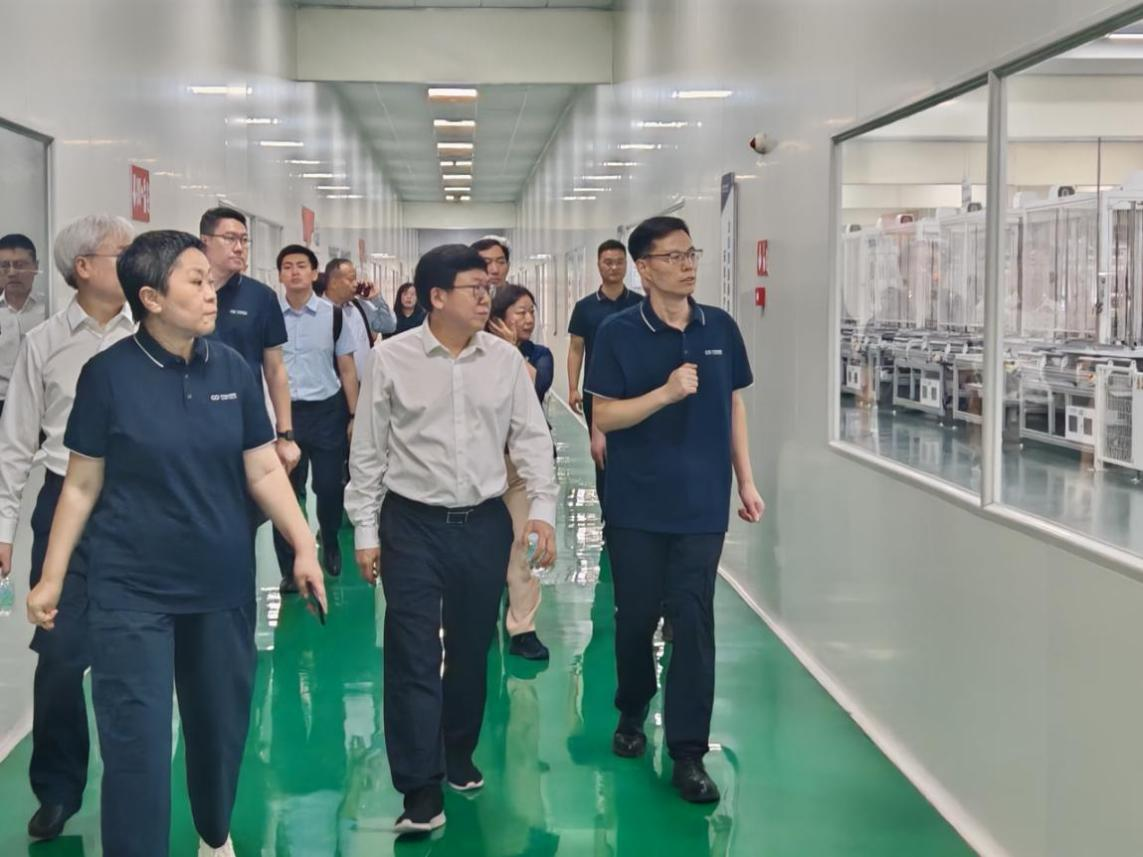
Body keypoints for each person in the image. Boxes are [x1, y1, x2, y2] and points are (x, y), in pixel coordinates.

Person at [24, 230, 327, 857]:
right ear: (152, 298)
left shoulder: (233, 368)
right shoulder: (107, 375)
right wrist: (51, 578)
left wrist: (303, 543)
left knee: (218, 731)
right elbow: (80, 485)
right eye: (196, 280)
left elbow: (262, 468)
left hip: (220, 584)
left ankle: (214, 836)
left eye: (209, 280)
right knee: (134, 744)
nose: (211, 292)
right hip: (129, 589)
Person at [346, 244, 557, 834]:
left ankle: (458, 752)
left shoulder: (504, 361)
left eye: (488, 287)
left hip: (483, 523)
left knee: (470, 649)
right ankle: (419, 788)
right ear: (436, 297)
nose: (488, 296)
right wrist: (365, 529)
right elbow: (369, 450)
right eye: (475, 288)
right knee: (412, 652)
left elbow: (531, 438)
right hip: (411, 525)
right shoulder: (390, 358)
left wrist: (541, 511)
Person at [585, 216, 765, 804]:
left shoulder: (720, 327)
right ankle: (632, 707)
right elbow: (604, 416)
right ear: (644, 267)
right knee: (636, 617)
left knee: (693, 620)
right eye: (673, 256)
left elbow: (732, 405)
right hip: (636, 504)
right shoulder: (617, 332)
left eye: (692, 254)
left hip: (701, 504)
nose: (687, 265)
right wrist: (664, 393)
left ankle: (689, 752)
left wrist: (745, 480)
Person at [0, 215, 135, 841]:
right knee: (58, 658)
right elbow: (15, 446)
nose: (134, 262)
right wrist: (3, 530)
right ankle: (57, 790)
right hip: (64, 507)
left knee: (135, 659)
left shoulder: (152, 331)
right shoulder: (45, 343)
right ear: (83, 267)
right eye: (120, 253)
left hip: (138, 504)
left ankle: (137, 785)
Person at [274, 245, 359, 589]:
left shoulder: (333, 315)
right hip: (284, 414)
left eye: (301, 266)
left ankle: (331, 538)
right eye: (287, 266)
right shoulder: (268, 314)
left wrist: (354, 415)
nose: (294, 272)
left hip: (326, 412)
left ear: (314, 273)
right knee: (285, 492)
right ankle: (290, 564)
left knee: (328, 486)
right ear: (280, 275)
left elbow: (347, 368)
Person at [199, 207, 300, 475]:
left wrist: (285, 434)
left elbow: (275, 369)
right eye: (230, 238)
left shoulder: (261, 297)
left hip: (244, 422)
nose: (239, 247)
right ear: (205, 241)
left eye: (244, 240)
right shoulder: (184, 292)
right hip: (191, 418)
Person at [488, 283, 554, 660]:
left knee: (521, 544)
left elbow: (535, 385)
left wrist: (511, 349)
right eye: (520, 312)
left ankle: (523, 628)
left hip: (518, 469)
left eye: (532, 311)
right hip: (480, 466)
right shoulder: (477, 353)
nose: (528, 319)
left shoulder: (538, 355)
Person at [567, 239, 642, 517]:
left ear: (627, 265)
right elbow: (576, 349)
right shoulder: (585, 307)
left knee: (635, 451)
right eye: (608, 262)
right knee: (602, 454)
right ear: (598, 265)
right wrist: (573, 387)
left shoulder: (640, 304)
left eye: (619, 262)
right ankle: (610, 513)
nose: (614, 267)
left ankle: (633, 511)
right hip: (597, 393)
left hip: (635, 393)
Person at [320, 258, 396, 380]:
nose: (356, 284)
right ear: (334, 283)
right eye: (351, 279)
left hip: (366, 383)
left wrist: (376, 298)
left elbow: (389, 326)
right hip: (335, 387)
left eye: (355, 279)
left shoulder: (359, 306)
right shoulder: (318, 313)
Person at [0, 233, 49, 418]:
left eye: (20, 265)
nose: (12, 272)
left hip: (40, 405)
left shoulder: (50, 311)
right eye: (4, 265)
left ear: (36, 267)